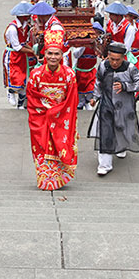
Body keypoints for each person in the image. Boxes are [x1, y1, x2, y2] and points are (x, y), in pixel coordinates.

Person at [26, 30, 79, 190]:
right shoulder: (36, 75)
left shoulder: (69, 75)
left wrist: (57, 111)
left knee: (60, 145)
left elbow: (72, 99)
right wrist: (47, 109)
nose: (53, 57)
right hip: (41, 117)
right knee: (42, 146)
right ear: (44, 53)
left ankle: (57, 179)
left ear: (62, 55)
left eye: (57, 54)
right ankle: (45, 179)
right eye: (49, 53)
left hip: (62, 116)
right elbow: (32, 97)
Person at [88, 42, 139, 176]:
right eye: (112, 59)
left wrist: (125, 86)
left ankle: (121, 148)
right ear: (108, 56)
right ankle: (104, 165)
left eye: (117, 60)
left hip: (124, 106)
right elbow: (98, 82)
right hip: (106, 104)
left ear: (123, 58)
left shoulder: (130, 68)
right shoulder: (103, 65)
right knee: (105, 132)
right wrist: (95, 97)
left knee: (122, 128)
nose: (114, 62)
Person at [3, 2, 35, 109]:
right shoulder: (13, 28)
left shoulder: (26, 26)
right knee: (15, 77)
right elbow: (17, 47)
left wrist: (33, 49)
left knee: (24, 80)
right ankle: (10, 91)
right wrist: (32, 52)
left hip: (22, 55)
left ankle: (20, 104)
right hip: (13, 55)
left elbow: (24, 42)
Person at [67, 22, 105, 110]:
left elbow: (101, 54)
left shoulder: (98, 43)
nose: (96, 34)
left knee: (90, 93)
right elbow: (76, 55)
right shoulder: (81, 42)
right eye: (94, 32)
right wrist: (85, 43)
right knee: (79, 94)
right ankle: (80, 106)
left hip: (91, 71)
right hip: (80, 72)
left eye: (98, 33)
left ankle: (89, 107)